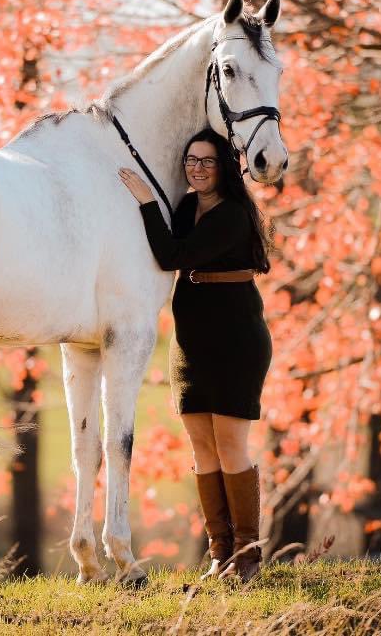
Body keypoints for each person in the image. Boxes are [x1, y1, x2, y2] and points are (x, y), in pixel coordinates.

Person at [117, 127, 274, 583]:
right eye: (191, 160)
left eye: (207, 161)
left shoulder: (233, 216)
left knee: (230, 445)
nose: (197, 168)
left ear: (224, 167)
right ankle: (219, 554)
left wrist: (147, 202)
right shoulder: (187, 207)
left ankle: (247, 556)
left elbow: (173, 255)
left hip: (235, 341)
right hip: (190, 343)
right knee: (202, 447)